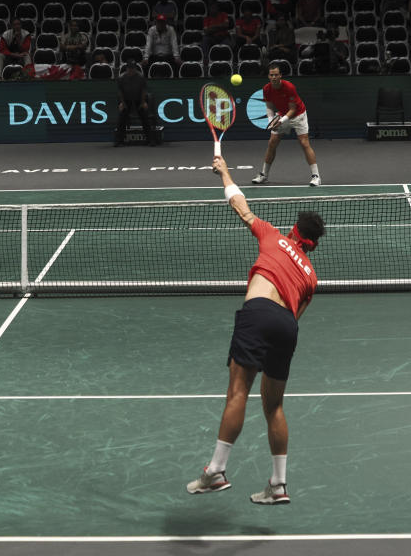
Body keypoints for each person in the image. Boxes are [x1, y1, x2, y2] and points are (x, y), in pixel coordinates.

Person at [186, 154, 325, 505]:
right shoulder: (311, 276)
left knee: (237, 393)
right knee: (274, 407)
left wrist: (224, 171)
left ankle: (215, 471)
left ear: (295, 230)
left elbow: (239, 203)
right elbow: (295, 317)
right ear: (315, 243)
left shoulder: (274, 236)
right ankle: (278, 485)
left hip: (258, 313)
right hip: (286, 328)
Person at [252, 64, 321, 186]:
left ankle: (316, 176)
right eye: (271, 75)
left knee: (304, 143)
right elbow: (269, 106)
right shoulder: (267, 89)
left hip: (298, 115)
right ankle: (264, 175)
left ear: (280, 76)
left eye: (276, 75)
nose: (273, 77)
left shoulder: (289, 87)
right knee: (272, 142)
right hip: (282, 115)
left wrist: (280, 121)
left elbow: (293, 109)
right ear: (269, 76)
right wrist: (270, 121)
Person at [115, 60, 157, 146]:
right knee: (121, 119)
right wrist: (122, 103)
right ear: (126, 69)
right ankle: (119, 141)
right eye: (129, 68)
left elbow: (143, 90)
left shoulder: (141, 77)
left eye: (133, 68)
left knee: (145, 118)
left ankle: (150, 140)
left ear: (135, 69)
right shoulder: (121, 78)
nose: (131, 70)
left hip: (139, 99)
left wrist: (143, 102)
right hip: (126, 100)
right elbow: (120, 92)